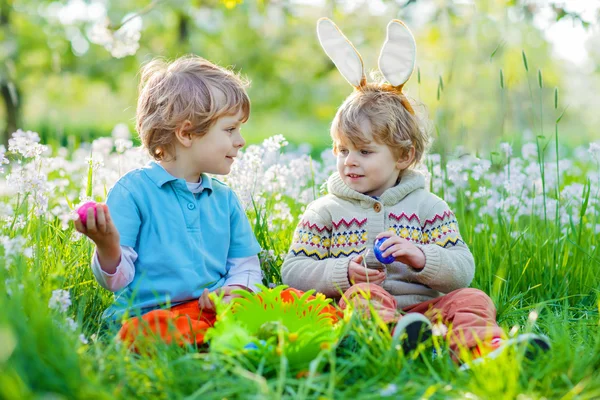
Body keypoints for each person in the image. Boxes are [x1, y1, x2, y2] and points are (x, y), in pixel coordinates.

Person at [282, 18, 550, 364]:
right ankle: (392, 343)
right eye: (342, 149)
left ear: (404, 156)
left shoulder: (428, 207)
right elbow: (294, 270)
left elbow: (460, 269)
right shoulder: (325, 211)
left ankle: (484, 353)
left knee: (472, 298)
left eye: (364, 152)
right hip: (363, 308)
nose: (350, 161)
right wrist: (342, 273)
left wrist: (422, 256)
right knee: (364, 297)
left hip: (426, 311)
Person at [74, 55, 263, 349]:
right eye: (230, 129)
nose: (240, 140)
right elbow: (117, 281)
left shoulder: (225, 199)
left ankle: (217, 339)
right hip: (153, 315)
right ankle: (222, 343)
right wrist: (107, 246)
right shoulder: (133, 192)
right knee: (142, 331)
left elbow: (245, 265)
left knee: (286, 298)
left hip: (211, 311)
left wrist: (236, 289)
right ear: (186, 133)